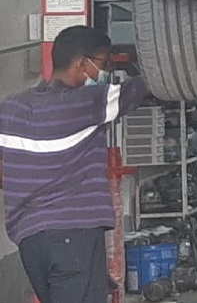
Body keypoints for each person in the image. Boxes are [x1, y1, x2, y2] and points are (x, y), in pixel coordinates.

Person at [0, 26, 148, 303]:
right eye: (102, 63)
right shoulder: (87, 102)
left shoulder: (11, 108)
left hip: (30, 238)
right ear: (82, 63)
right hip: (73, 235)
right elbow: (143, 86)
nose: (103, 72)